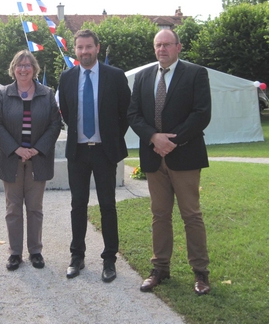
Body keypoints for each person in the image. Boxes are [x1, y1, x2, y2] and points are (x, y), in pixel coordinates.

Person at [127, 29, 212, 295]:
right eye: (158, 45)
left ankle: (201, 274)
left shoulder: (196, 74)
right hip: (154, 158)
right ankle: (160, 268)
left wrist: (172, 141)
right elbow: (133, 114)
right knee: (159, 215)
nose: (162, 49)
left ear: (179, 47)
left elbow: (202, 114)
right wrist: (154, 137)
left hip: (185, 155)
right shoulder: (142, 77)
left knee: (191, 216)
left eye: (167, 44)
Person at [58, 29, 131, 283]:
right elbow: (66, 113)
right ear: (75, 50)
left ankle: (109, 258)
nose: (84, 52)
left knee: (107, 205)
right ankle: (76, 256)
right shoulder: (67, 77)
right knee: (77, 205)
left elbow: (125, 113)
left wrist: (109, 138)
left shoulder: (115, 76)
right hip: (78, 151)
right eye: (79, 47)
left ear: (97, 48)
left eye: (89, 47)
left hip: (104, 151)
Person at [0, 50, 61, 271]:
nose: (23, 69)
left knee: (35, 208)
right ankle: (15, 253)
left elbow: (55, 125)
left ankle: (36, 251)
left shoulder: (47, 94)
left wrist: (37, 149)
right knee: (13, 208)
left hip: (38, 159)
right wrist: (16, 149)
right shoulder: (3, 94)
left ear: (34, 68)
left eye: (28, 65)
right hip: (11, 160)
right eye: (19, 65)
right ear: (13, 68)